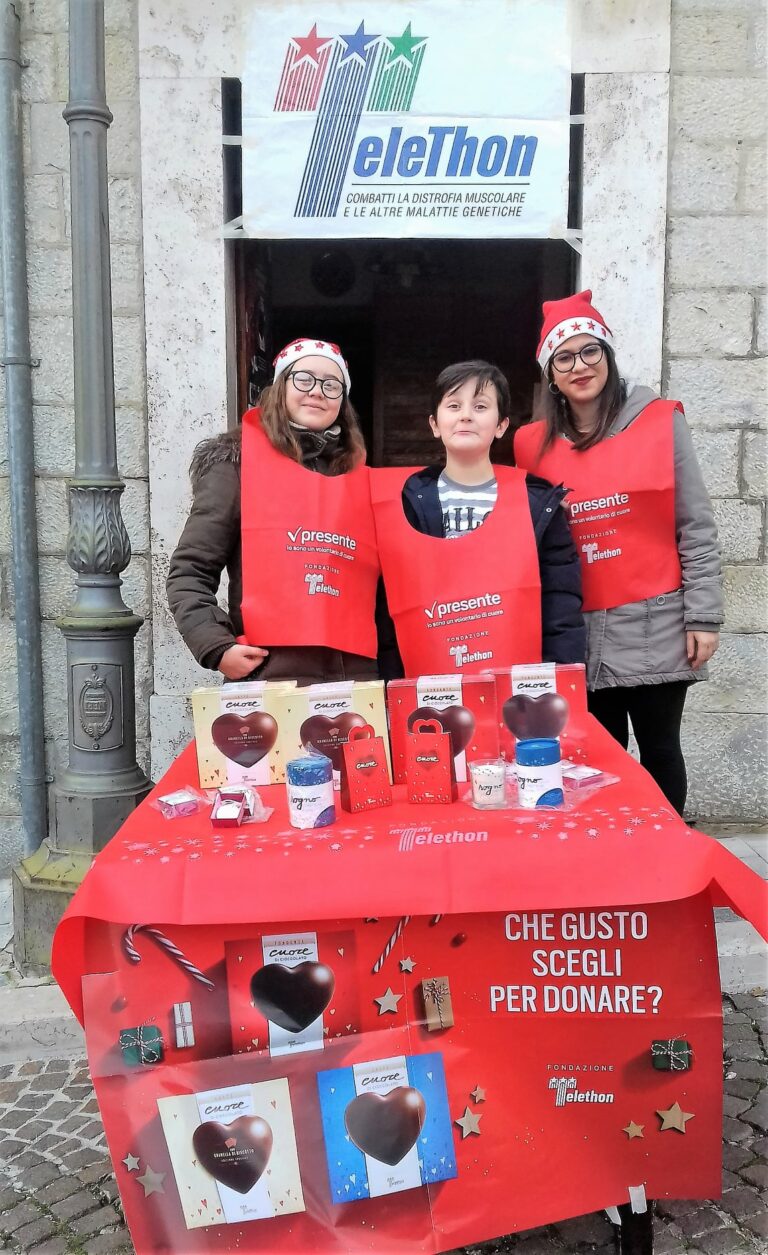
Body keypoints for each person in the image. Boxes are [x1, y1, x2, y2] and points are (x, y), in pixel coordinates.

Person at [514, 291, 723, 815]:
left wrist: (705, 615)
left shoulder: (658, 420)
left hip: (655, 619)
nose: (580, 366)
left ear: (607, 355)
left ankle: (667, 857)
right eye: (565, 358)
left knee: (658, 750)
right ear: (550, 373)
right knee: (598, 757)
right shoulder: (529, 445)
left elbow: (694, 523)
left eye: (590, 352)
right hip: (577, 626)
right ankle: (617, 858)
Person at [167, 338, 381, 684]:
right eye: (304, 379)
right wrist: (217, 647)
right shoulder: (237, 465)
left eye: (331, 384)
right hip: (269, 676)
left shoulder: (359, 479)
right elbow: (189, 571)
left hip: (352, 679)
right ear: (280, 388)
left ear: (343, 401)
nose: (317, 392)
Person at [372, 360, 585, 676]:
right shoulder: (404, 502)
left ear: (501, 425)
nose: (466, 415)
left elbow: (560, 603)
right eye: (454, 405)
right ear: (434, 423)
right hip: (431, 679)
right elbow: (387, 604)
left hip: (518, 682)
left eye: (481, 405)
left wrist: (560, 679)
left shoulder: (537, 504)